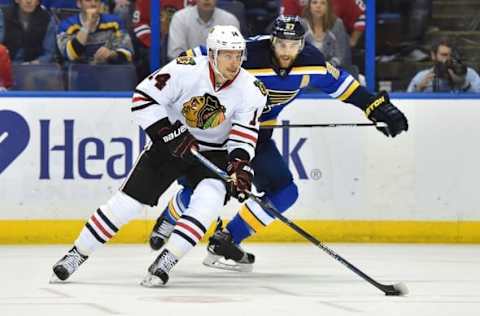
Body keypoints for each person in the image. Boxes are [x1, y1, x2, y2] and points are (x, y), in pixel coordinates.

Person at [148, 16, 409, 272]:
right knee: (205, 189)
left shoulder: (311, 63)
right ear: (272, 40)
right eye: (281, 44)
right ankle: (169, 218)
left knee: (285, 191)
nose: (287, 51)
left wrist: (376, 107)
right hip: (216, 136)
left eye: (293, 45)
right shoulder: (248, 53)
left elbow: (344, 85)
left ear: (302, 44)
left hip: (256, 138)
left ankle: (227, 239)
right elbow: (202, 55)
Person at [50, 25, 268, 286]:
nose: (234, 62)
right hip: (170, 143)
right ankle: (76, 254)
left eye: (238, 55)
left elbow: (244, 134)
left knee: (207, 204)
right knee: (126, 204)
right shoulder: (185, 69)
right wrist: (168, 134)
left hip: (215, 154)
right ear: (212, 54)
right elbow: (143, 97)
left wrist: (241, 167)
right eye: (227, 55)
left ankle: (166, 261)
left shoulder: (252, 89)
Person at [56, 0, 133, 64]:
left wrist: (110, 54)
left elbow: (128, 52)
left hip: (108, 71)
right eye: (88, 0)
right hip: (78, 73)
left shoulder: (115, 22)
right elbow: (70, 54)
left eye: (96, 1)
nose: (93, 4)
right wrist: (87, 25)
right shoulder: (67, 25)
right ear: (79, 4)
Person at [167, 0, 239, 60]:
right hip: (188, 72)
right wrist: (199, 67)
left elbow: (237, 55)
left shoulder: (230, 21)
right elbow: (175, 55)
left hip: (221, 73)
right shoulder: (180, 18)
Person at [407, 37, 480, 93]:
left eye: (451, 55)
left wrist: (464, 84)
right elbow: (406, 104)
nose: (448, 59)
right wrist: (418, 89)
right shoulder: (422, 77)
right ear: (433, 55)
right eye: (444, 55)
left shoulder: (470, 74)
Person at [282, 0, 365, 48]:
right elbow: (286, 21)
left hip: (335, 49)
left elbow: (363, 14)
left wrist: (352, 41)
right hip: (302, 46)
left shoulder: (338, 23)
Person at [302, 0, 353, 74]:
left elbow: (340, 57)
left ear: (328, 7)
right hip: (306, 72)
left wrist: (324, 68)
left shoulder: (337, 24)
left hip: (333, 72)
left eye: (323, 3)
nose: (318, 6)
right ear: (309, 6)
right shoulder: (301, 25)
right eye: (314, 2)